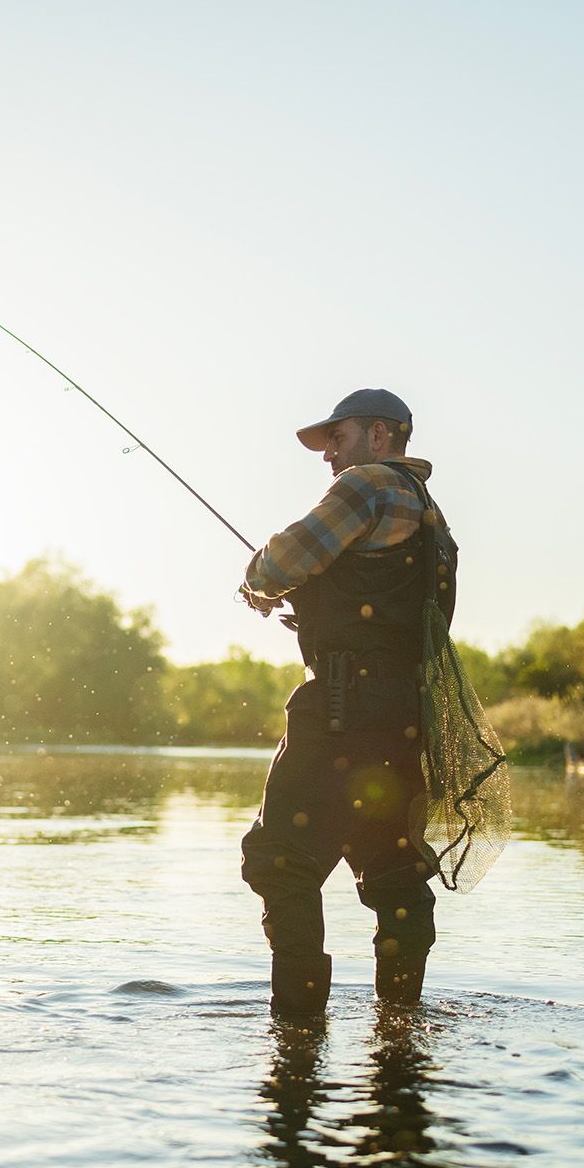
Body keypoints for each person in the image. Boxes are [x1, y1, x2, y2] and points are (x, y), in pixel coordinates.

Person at [239, 388, 455, 1017]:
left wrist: (259, 582)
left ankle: (299, 1030)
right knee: (393, 872)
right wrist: (322, 612)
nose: (328, 452)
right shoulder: (432, 516)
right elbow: (387, 611)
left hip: (341, 713)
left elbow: (281, 561)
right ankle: (400, 1025)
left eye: (338, 436)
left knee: (281, 862)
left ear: (379, 435)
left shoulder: (367, 485)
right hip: (404, 722)